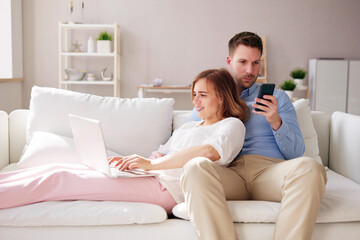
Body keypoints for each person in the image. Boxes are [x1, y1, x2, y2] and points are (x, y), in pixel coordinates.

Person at [0, 68, 249, 215]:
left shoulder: (231, 125)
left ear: (222, 97)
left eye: (203, 95)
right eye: (194, 95)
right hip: (149, 177)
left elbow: (209, 152)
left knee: (59, 180)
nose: (195, 101)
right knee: (57, 168)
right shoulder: (189, 126)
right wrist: (132, 164)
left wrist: (151, 167)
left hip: (169, 189)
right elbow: (160, 155)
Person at [183, 32, 327, 240]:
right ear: (229, 61)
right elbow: (189, 138)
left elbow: (297, 152)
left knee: (311, 168)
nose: (250, 71)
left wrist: (276, 121)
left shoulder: (278, 98)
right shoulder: (210, 97)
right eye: (242, 62)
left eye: (255, 63)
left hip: (270, 172)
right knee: (194, 167)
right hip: (227, 172)